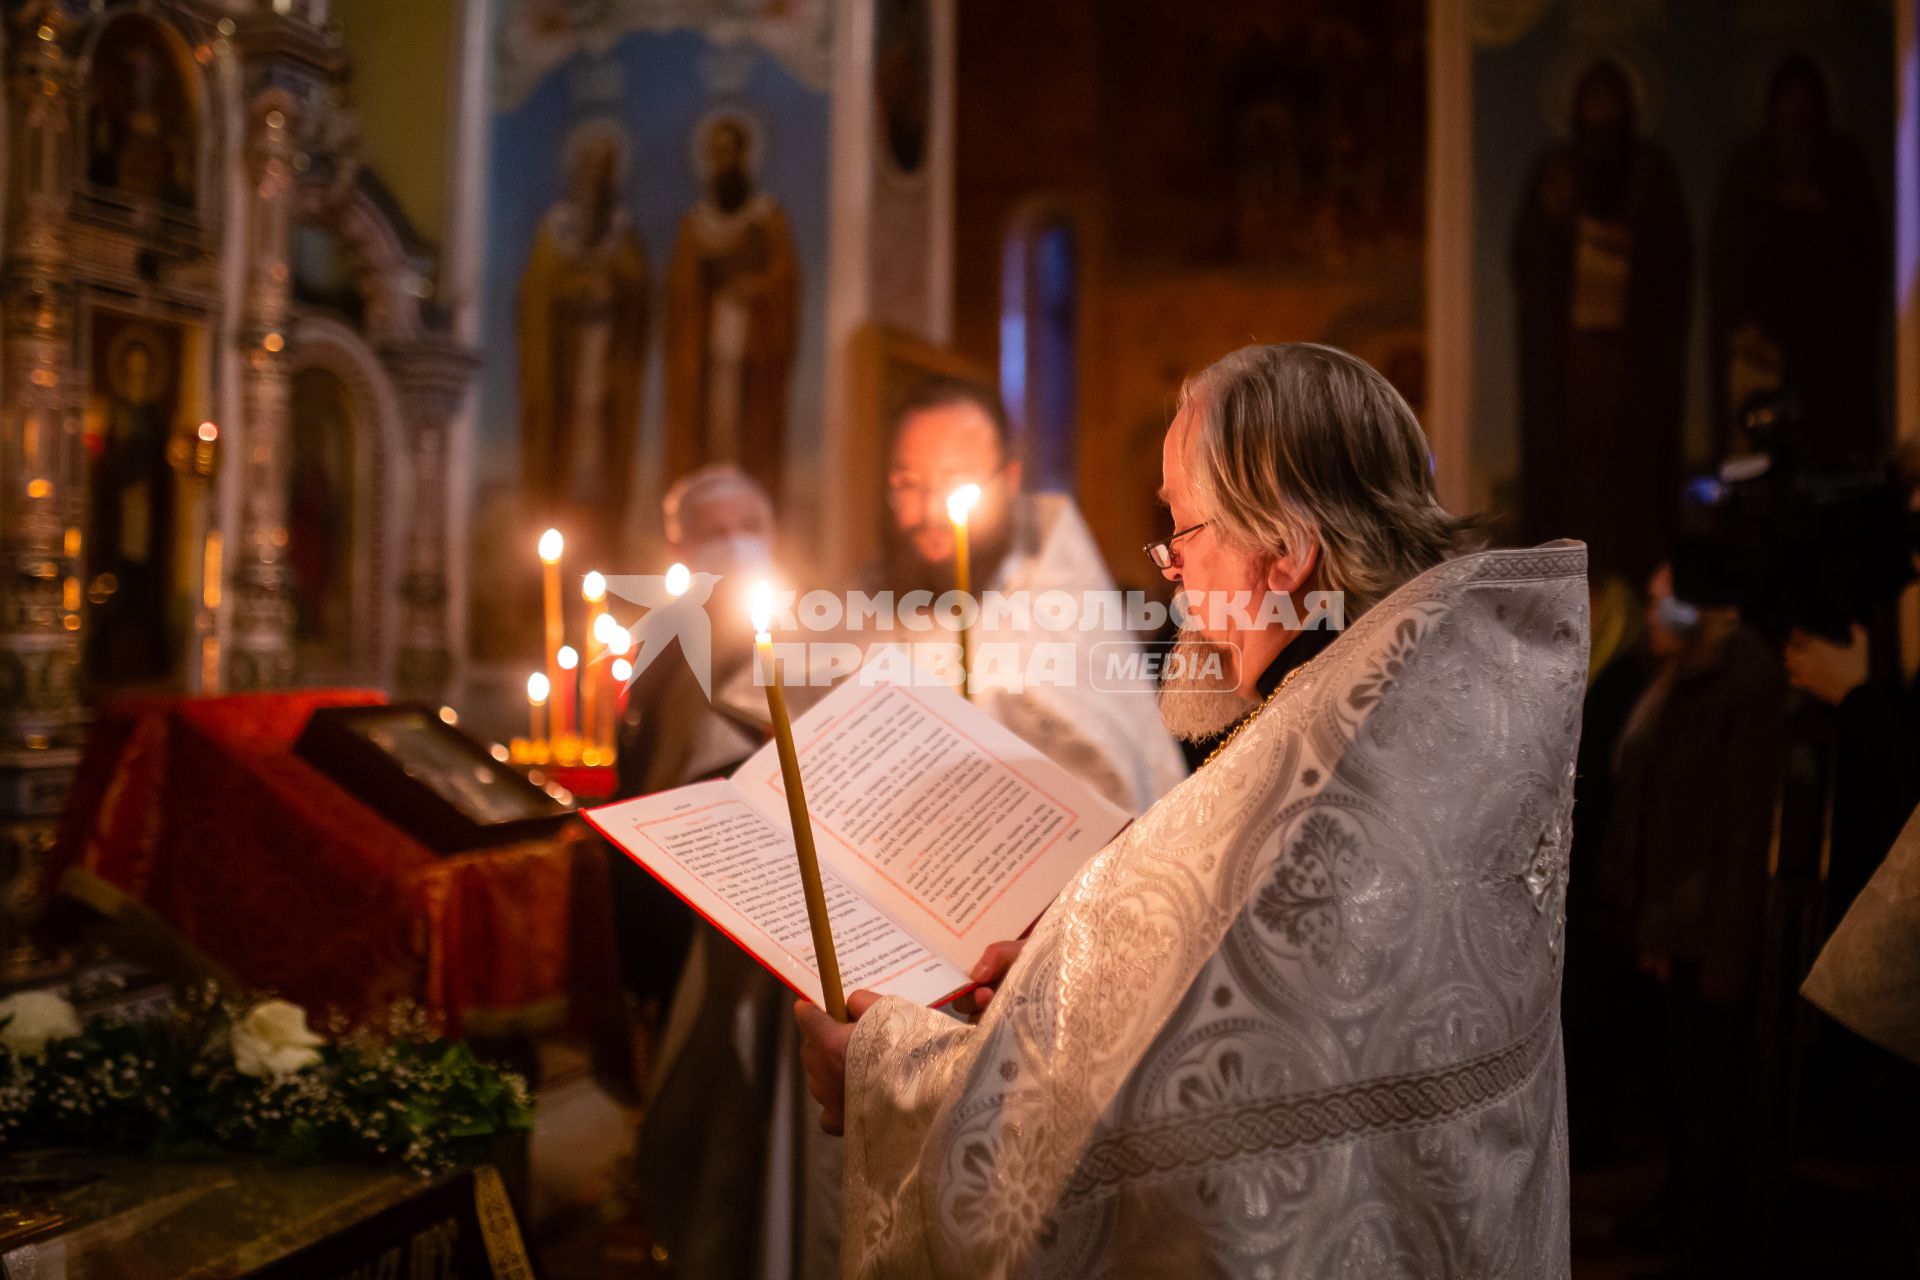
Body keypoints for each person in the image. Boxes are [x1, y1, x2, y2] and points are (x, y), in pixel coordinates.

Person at [798, 343, 1585, 1277]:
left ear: (1287, 552)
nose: (1171, 570)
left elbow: (1176, 1139)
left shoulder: (1313, 802)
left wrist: (886, 1067)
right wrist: (1058, 978)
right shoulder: (1428, 724)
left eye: (1183, 530)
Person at [870, 376, 1188, 814]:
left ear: (1010, 480)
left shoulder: (1058, 609)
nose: (928, 512)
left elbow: (1114, 786)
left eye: (953, 482)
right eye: (908, 484)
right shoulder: (866, 598)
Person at [664, 115, 800, 499]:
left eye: (732, 152)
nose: (725, 162)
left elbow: (784, 281)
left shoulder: (768, 219)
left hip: (753, 354)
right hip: (709, 356)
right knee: (712, 434)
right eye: (717, 153)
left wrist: (752, 288)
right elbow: (679, 295)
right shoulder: (694, 226)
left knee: (750, 435)